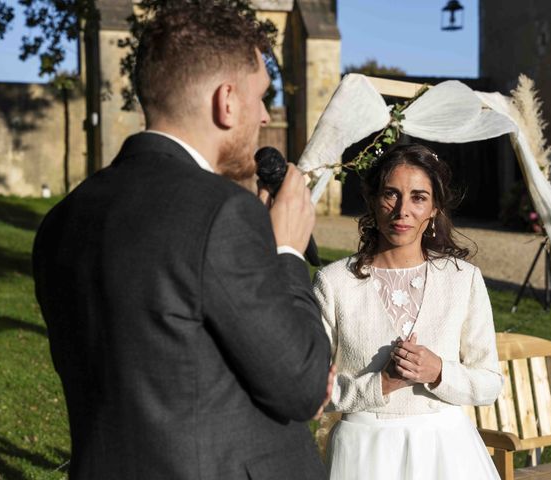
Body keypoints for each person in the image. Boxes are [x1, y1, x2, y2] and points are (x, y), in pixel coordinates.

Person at [32, 2, 332, 479]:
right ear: (226, 100)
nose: (263, 116)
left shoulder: (63, 218)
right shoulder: (221, 212)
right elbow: (303, 385)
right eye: (260, 97)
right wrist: (289, 253)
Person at [313, 144, 503, 480]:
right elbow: (310, 388)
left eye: (418, 197)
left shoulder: (462, 279)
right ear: (373, 200)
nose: (403, 210)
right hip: (364, 452)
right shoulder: (334, 283)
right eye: (391, 194)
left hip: (447, 450)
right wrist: (381, 384)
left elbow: (489, 383)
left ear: (434, 208)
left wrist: (439, 371)